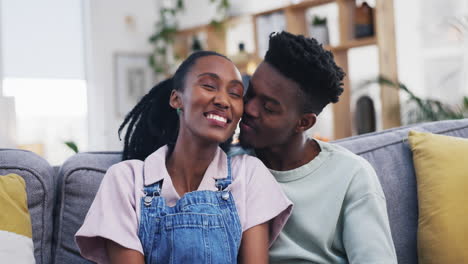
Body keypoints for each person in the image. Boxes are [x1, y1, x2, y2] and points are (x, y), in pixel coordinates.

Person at [75, 51, 292, 264]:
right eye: (209, 86)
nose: (223, 100)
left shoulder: (248, 174)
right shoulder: (126, 179)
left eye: (235, 93)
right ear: (176, 99)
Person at [237, 31, 397, 263]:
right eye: (249, 94)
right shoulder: (231, 167)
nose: (249, 109)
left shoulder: (351, 175)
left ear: (304, 122)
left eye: (269, 108)